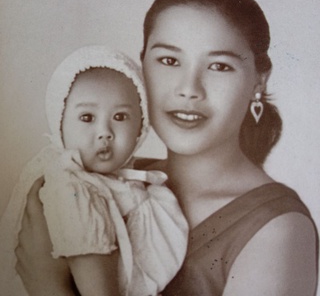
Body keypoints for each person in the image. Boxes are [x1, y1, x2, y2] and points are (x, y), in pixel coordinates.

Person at [12, 0, 319, 295]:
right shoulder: (105, 179)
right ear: (140, 67)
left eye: (219, 66)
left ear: (259, 82)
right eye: (169, 61)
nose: (189, 89)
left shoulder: (278, 230)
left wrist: (48, 285)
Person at [0, 46, 188, 296]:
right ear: (60, 123)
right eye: (87, 118)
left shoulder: (121, 182)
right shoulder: (71, 184)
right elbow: (89, 255)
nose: (105, 132)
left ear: (141, 126)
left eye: (120, 117)